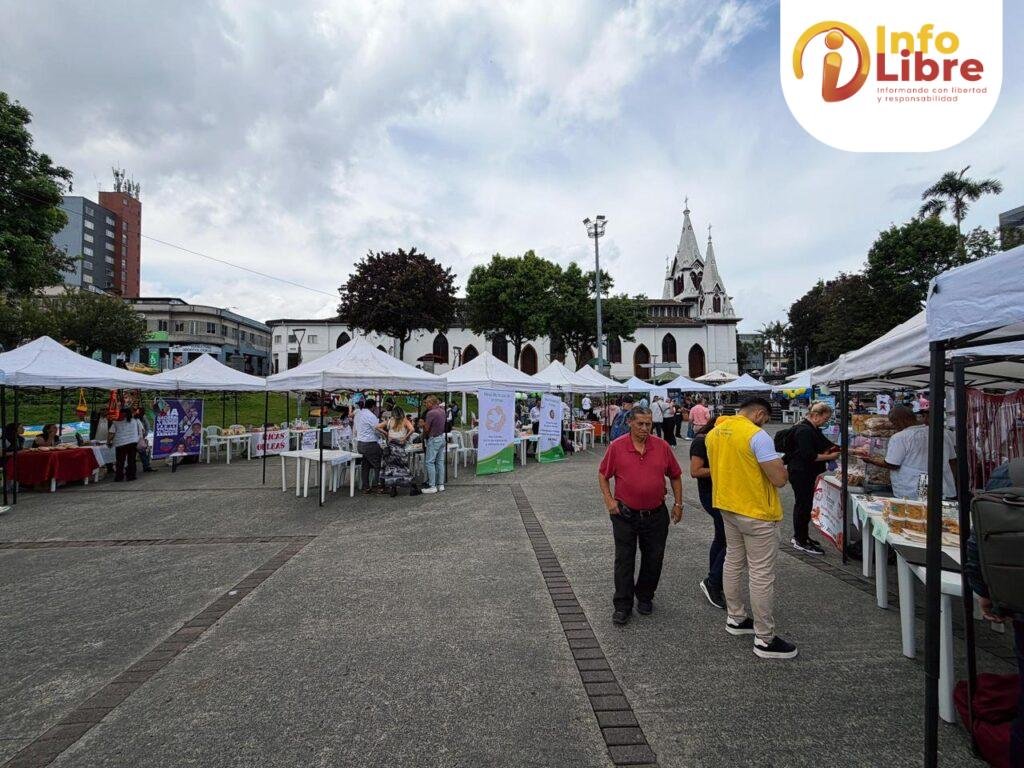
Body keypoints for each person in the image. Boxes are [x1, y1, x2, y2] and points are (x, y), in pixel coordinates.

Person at [706, 397, 796, 659]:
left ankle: (736, 618)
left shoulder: (715, 433)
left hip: (727, 505)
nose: (766, 423)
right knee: (760, 573)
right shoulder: (757, 435)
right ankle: (765, 638)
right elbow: (778, 478)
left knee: (733, 561)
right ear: (758, 414)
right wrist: (784, 467)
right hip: (756, 510)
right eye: (766, 418)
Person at [597, 406, 683, 625]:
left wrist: (679, 504)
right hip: (624, 514)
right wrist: (609, 500)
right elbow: (603, 474)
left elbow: (675, 475)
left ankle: (645, 596)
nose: (645, 428)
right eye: (640, 424)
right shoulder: (617, 447)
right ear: (630, 423)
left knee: (654, 558)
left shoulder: (661, 446)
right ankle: (623, 605)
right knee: (624, 560)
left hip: (655, 514)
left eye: (649, 424)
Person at [853, 405, 956, 499]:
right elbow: (952, 461)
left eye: (894, 423)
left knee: (921, 511)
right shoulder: (942, 433)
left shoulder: (901, 437)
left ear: (899, 421)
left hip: (919, 483)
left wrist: (870, 460)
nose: (894, 426)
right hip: (943, 482)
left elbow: (892, 464)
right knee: (939, 513)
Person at [787, 402, 840, 556]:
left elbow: (827, 444)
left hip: (806, 472)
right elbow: (808, 455)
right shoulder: (804, 430)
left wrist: (849, 449)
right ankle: (799, 539)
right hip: (801, 472)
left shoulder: (812, 428)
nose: (826, 422)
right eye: (825, 418)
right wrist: (830, 457)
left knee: (806, 505)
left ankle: (803, 536)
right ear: (815, 415)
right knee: (802, 505)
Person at [691, 416, 725, 609]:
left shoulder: (718, 440)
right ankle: (713, 581)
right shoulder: (701, 440)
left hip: (724, 494)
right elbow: (695, 471)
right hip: (711, 495)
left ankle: (716, 578)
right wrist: (724, 469)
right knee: (731, 540)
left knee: (721, 538)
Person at [376, 406, 419, 496]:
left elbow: (377, 427)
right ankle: (412, 486)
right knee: (403, 468)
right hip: (400, 447)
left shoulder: (390, 421)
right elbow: (412, 429)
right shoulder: (405, 421)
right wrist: (405, 438)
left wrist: (386, 433)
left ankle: (393, 489)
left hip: (391, 447)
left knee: (392, 468)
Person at [354, 398, 384, 494]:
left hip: (360, 443)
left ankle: (366, 486)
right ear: (373, 406)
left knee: (365, 465)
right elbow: (377, 429)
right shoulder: (371, 416)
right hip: (370, 443)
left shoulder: (358, 414)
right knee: (377, 465)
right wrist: (384, 435)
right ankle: (378, 486)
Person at [108, 410, 144, 482]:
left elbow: (111, 433)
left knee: (120, 461)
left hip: (120, 443)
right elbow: (142, 430)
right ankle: (131, 476)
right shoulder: (135, 420)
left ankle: (119, 477)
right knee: (131, 460)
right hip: (132, 442)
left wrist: (108, 441)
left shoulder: (116, 421)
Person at [421, 395, 447, 494]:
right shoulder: (442, 411)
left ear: (432, 403)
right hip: (441, 437)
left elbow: (427, 428)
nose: (425, 404)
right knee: (440, 462)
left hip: (434, 438)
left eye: (427, 403)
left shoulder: (431, 413)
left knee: (430, 462)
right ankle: (440, 485)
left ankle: (432, 485)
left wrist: (422, 424)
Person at [134, 409, 157, 473]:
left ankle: (146, 466)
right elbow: (145, 427)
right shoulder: (135, 419)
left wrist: (144, 435)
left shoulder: (142, 418)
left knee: (143, 452)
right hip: (136, 439)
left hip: (140, 438)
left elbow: (147, 427)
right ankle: (145, 467)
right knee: (141, 453)